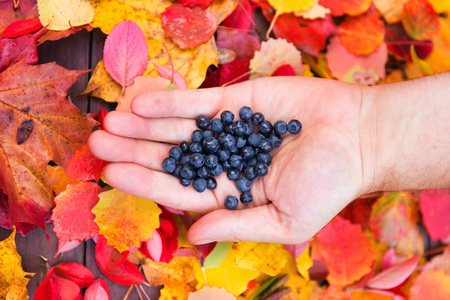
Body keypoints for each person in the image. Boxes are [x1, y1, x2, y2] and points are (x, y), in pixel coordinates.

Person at [88, 74, 450, 245]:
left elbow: (231, 153)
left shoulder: (247, 150)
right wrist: (367, 128)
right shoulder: (235, 147)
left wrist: (365, 142)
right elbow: (225, 152)